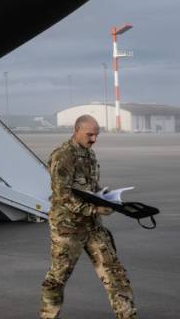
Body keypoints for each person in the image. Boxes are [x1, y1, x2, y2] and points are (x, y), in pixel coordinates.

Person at [40, 115, 136, 318]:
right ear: (77, 129)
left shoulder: (89, 155)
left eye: (96, 135)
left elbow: (91, 188)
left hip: (92, 226)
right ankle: (48, 315)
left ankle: (127, 315)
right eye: (90, 134)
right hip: (67, 227)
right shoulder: (62, 156)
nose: (93, 139)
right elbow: (62, 195)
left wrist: (107, 198)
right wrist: (94, 209)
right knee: (58, 277)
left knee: (115, 273)